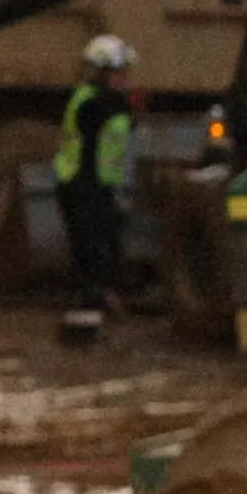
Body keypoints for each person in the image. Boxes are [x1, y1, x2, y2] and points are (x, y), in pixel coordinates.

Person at [47, 34, 147, 343]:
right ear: (104, 72)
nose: (125, 79)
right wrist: (129, 105)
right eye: (120, 73)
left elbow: (125, 124)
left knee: (105, 249)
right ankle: (85, 325)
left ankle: (98, 310)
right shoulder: (90, 102)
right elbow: (109, 114)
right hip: (81, 185)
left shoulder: (107, 102)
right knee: (91, 254)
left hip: (98, 186)